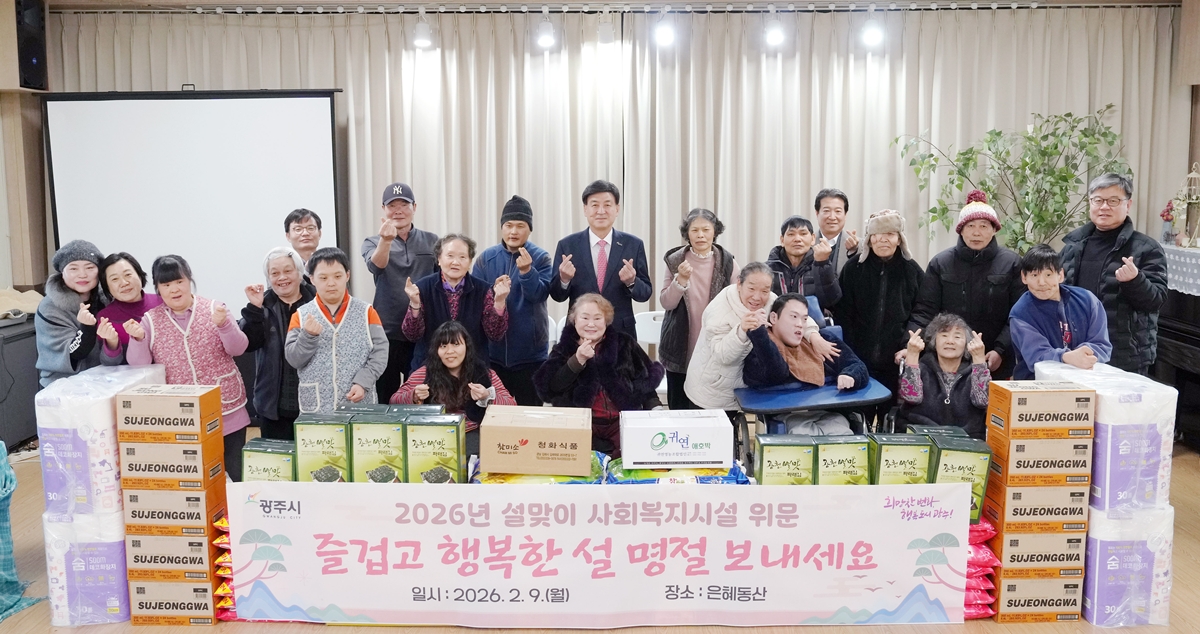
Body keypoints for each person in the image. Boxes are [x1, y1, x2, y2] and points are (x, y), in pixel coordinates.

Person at [126, 255, 251, 480]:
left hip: (226, 409)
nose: (174, 289)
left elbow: (239, 348)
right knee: (196, 479)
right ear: (158, 288)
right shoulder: (150, 320)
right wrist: (137, 339)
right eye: (166, 284)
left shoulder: (215, 308)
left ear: (189, 280)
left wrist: (224, 325)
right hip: (182, 417)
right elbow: (139, 366)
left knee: (236, 473)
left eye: (179, 281)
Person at [684, 262, 832, 412]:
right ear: (739, 283)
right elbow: (723, 356)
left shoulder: (771, 300)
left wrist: (814, 336)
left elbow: (795, 315)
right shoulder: (719, 310)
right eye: (751, 289)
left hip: (747, 388)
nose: (757, 297)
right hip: (714, 390)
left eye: (764, 291)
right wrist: (741, 330)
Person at [907, 190, 1024, 378]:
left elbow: (1018, 315)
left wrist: (1001, 349)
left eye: (984, 226)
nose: (977, 232)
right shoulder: (941, 263)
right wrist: (909, 345)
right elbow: (925, 311)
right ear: (961, 229)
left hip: (994, 358)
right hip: (948, 359)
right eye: (970, 226)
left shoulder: (1012, 263)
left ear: (994, 229)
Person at [1059, 173, 1167, 376]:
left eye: (1113, 201)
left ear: (1128, 204)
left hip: (1124, 355)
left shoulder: (1146, 248)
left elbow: (1156, 301)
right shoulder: (1072, 246)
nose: (1104, 207)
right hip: (1076, 350)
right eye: (1098, 200)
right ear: (1090, 203)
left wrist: (1134, 281)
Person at [534, 294, 664, 458]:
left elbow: (645, 381)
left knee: (636, 461)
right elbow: (550, 388)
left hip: (622, 421)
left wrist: (655, 407)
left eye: (597, 318)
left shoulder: (624, 343)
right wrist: (577, 360)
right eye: (585, 317)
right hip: (583, 424)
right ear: (574, 320)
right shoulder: (563, 349)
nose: (591, 324)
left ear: (606, 321)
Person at [834, 209, 924, 427]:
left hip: (896, 361)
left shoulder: (912, 271)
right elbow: (843, 313)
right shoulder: (853, 269)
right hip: (859, 361)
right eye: (877, 235)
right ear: (869, 239)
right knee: (857, 421)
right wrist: (850, 352)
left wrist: (907, 345)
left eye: (890, 234)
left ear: (899, 239)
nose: (883, 240)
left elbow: (921, 312)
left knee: (890, 422)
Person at [742, 294, 869, 435]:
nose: (800, 324)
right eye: (793, 317)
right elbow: (776, 373)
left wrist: (850, 375)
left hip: (828, 412)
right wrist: (759, 335)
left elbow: (857, 366)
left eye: (804, 319)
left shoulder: (823, 342)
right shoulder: (761, 348)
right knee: (802, 432)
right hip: (785, 415)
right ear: (773, 318)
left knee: (842, 432)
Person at [285, 247, 390, 413]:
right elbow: (293, 359)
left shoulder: (367, 312)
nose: (331, 283)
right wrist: (308, 336)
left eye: (337, 276)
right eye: (323, 277)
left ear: (347, 275)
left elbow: (380, 353)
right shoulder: (300, 315)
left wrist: (363, 382)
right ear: (312, 279)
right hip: (316, 409)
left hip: (359, 404)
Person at [471, 196, 553, 406]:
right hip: (493, 355)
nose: (513, 231)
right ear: (502, 227)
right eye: (508, 225)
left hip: (531, 356)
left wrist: (526, 271)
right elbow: (475, 300)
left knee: (530, 414)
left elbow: (539, 294)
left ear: (529, 229)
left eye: (520, 226)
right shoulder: (486, 258)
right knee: (493, 413)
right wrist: (493, 292)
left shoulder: (541, 258)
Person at [391, 321, 517, 457]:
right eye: (443, 346)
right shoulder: (425, 373)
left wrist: (487, 396)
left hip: (472, 432)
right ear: (436, 350)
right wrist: (414, 396)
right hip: (434, 434)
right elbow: (394, 401)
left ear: (466, 346)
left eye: (456, 344)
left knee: (473, 453)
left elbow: (511, 405)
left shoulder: (484, 373)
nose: (450, 351)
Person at [361, 182, 439, 400]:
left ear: (414, 207)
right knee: (386, 394)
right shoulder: (372, 241)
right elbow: (376, 266)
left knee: (424, 394)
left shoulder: (432, 240)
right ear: (383, 209)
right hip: (387, 333)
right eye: (392, 205)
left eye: (404, 205)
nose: (398, 211)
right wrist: (386, 241)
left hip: (423, 331)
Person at [549, 180, 653, 341]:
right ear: (585, 209)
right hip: (580, 333)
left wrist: (632, 282)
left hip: (621, 333)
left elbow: (645, 294)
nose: (601, 211)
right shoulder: (568, 245)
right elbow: (557, 295)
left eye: (607, 205)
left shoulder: (633, 244)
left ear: (617, 209)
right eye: (595, 205)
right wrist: (564, 280)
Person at [659, 208, 740, 410]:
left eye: (706, 229)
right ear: (687, 233)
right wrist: (680, 280)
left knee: (709, 411)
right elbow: (667, 303)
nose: (700, 235)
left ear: (715, 232)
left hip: (715, 348)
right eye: (695, 230)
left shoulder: (728, 262)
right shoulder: (675, 260)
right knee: (678, 410)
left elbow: (738, 300)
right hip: (679, 347)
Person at [403, 234, 510, 373]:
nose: (456, 262)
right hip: (429, 369)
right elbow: (412, 335)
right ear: (439, 259)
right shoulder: (422, 288)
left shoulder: (483, 290)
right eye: (450, 256)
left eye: (462, 257)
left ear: (470, 262)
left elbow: (495, 334)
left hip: (473, 370)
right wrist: (415, 304)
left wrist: (500, 302)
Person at [240, 247, 316, 441]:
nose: (282, 278)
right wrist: (255, 309)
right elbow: (248, 344)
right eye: (274, 273)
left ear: (299, 272)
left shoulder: (317, 301)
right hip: (273, 404)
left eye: (288, 271)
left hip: (315, 402)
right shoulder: (262, 304)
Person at [1010, 244, 1112, 380]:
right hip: (1037, 383)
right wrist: (1067, 357)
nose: (1042, 282)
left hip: (1086, 379)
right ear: (1024, 277)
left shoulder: (1087, 300)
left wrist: (1084, 354)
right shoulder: (1020, 313)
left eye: (1048, 274)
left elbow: (1102, 344)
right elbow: (1037, 356)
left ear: (1060, 275)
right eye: (1034, 275)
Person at [35, 240, 122, 386]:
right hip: (63, 385)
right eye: (73, 268)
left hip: (104, 380)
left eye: (90, 267)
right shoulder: (50, 307)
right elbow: (74, 353)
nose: (82, 275)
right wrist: (87, 328)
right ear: (62, 273)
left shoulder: (108, 299)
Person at [897, 313, 991, 438]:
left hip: (965, 437)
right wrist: (912, 355)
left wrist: (979, 359)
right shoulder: (921, 367)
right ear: (934, 341)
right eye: (944, 335)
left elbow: (982, 401)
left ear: (967, 344)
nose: (950, 341)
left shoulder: (975, 371)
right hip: (921, 434)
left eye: (957, 337)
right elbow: (911, 398)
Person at [96, 251, 163, 358]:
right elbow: (108, 363)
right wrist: (112, 343)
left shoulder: (163, 303)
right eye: (114, 279)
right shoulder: (105, 319)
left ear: (139, 275)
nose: (124, 283)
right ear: (107, 286)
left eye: (128, 275)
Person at [765, 215, 842, 307]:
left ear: (813, 239)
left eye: (803, 234)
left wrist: (822, 264)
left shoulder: (822, 265)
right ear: (782, 240)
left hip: (811, 316)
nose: (797, 239)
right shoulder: (768, 269)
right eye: (791, 234)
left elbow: (832, 300)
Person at [813, 188, 860, 273]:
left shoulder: (861, 247)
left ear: (845, 214)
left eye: (838, 211)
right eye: (826, 211)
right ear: (817, 213)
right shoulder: (806, 244)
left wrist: (853, 251)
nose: (832, 217)